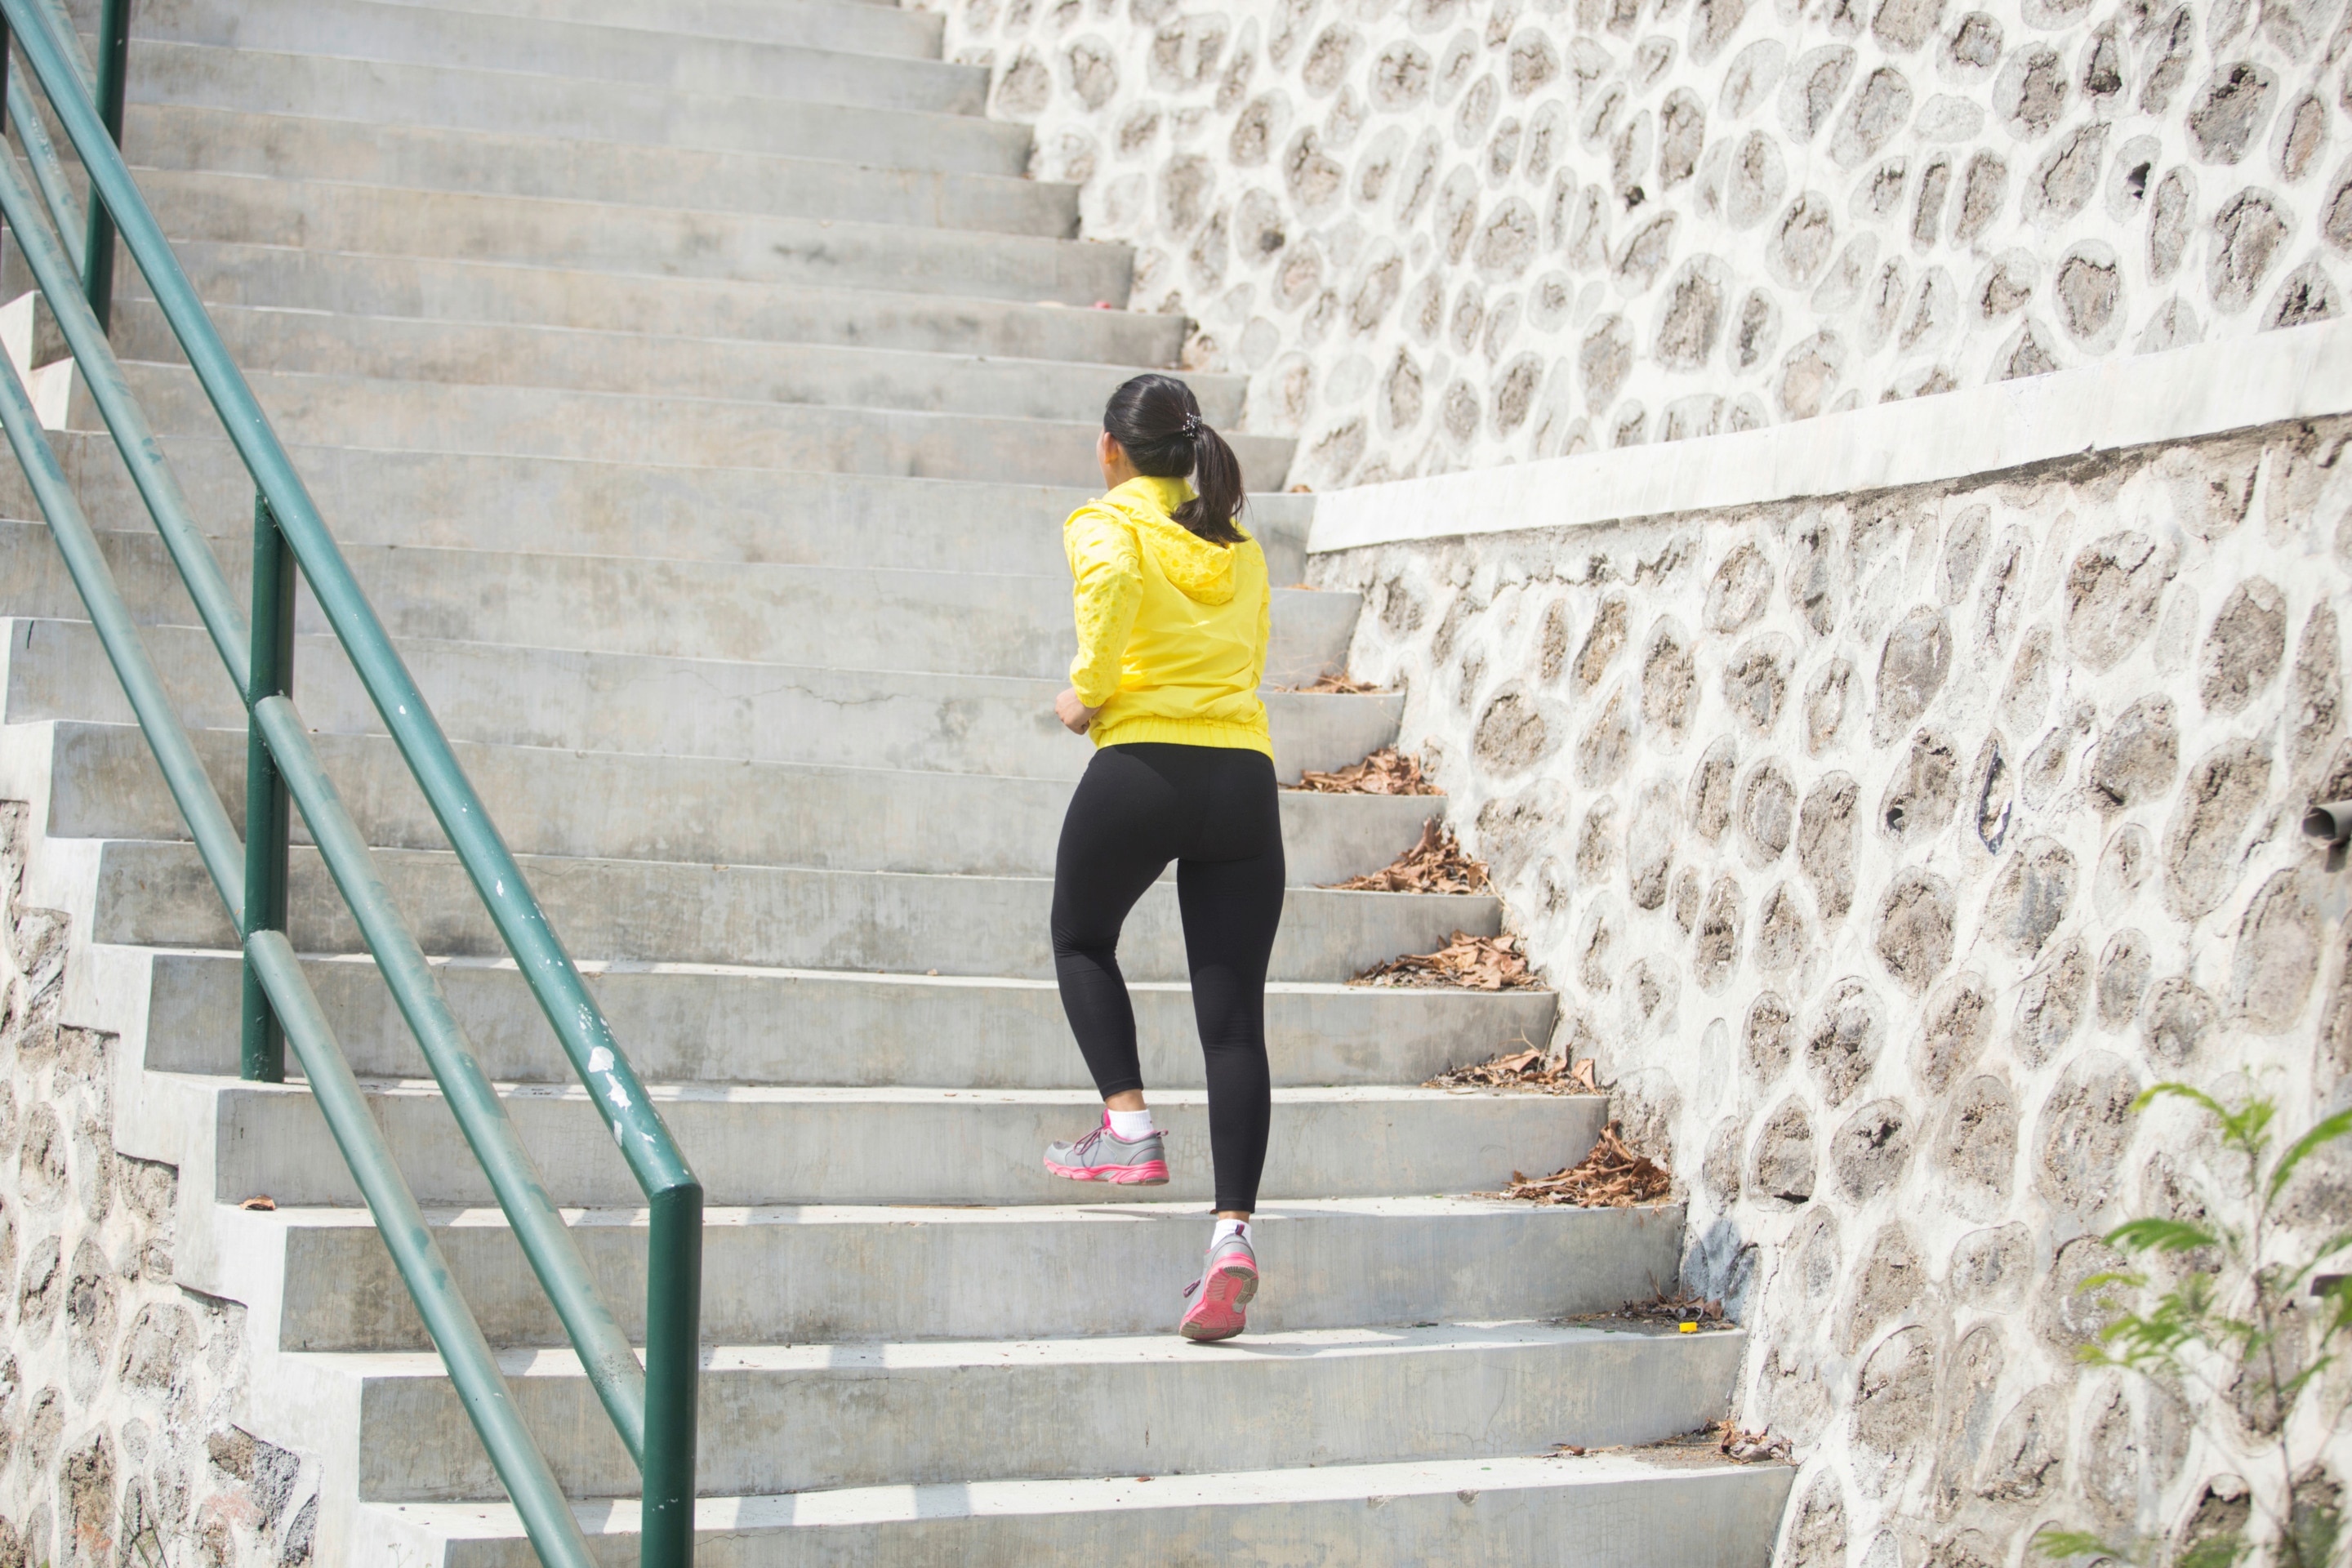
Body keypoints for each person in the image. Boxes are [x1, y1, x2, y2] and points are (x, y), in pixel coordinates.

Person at [1040, 372, 1282, 1343]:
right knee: (1234, 1026)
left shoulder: (1105, 523)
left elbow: (1109, 588)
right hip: (1243, 778)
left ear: (1112, 448)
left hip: (1143, 763)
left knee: (1080, 938)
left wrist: (1087, 691)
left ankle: (1129, 1130)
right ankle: (1231, 1236)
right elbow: (1255, 651)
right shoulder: (1240, 543)